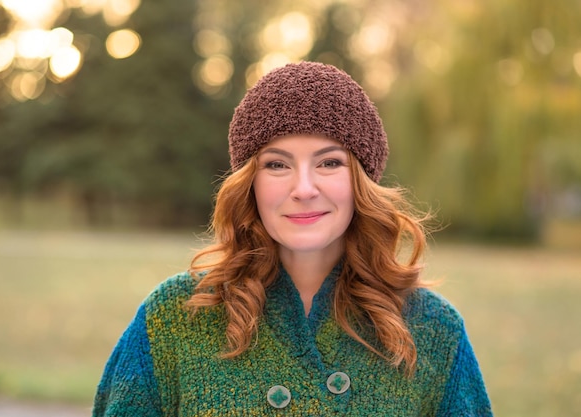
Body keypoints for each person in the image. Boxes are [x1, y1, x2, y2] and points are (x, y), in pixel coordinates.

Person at [92, 61, 493, 416]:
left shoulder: (433, 330)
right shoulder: (174, 318)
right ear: (249, 183)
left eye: (329, 162)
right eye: (277, 164)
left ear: (361, 183)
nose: (303, 188)